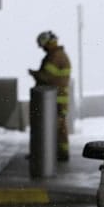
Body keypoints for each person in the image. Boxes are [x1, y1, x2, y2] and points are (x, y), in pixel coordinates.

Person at [30, 30, 73, 161]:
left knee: (56, 128)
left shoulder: (55, 57)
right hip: (55, 99)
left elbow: (47, 77)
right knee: (58, 128)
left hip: (55, 100)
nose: (42, 48)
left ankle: (59, 154)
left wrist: (35, 74)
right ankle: (58, 153)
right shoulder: (57, 55)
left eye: (43, 45)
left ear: (48, 43)